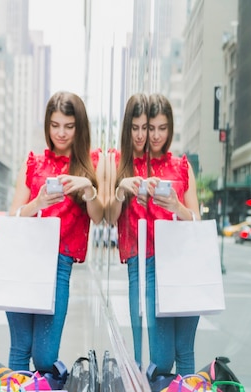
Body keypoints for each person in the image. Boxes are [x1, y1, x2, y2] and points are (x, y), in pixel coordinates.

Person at [6, 91, 104, 374]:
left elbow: (98, 217)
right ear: (47, 125)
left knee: (45, 356)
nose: (61, 133)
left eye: (69, 126)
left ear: (79, 127)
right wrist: (36, 203)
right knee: (19, 348)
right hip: (24, 261)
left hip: (60, 263)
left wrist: (87, 188)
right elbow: (13, 214)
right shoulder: (34, 163)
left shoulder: (89, 165)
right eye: (55, 125)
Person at [145, 93, 201, 376]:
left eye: (162, 128)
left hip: (185, 266)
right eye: (151, 128)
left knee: (185, 351)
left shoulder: (182, 166)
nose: (156, 135)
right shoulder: (138, 168)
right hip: (154, 265)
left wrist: (177, 206)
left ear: (170, 129)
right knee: (162, 358)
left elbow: (196, 220)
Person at [107, 93, 149, 367]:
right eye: (135, 128)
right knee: (138, 327)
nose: (141, 135)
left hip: (163, 254)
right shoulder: (117, 162)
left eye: (145, 127)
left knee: (158, 339)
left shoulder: (158, 161)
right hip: (135, 257)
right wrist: (121, 189)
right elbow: (110, 217)